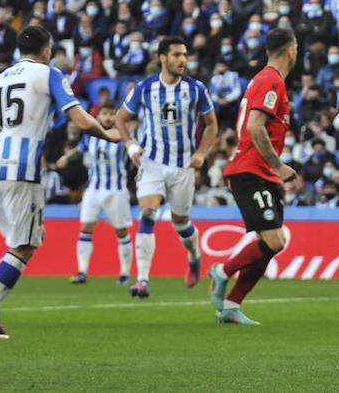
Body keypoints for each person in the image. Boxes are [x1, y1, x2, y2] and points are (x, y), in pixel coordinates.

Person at [0, 26, 122, 339]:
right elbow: (80, 120)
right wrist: (108, 134)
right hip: (22, 168)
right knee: (25, 245)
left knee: (16, 243)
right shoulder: (48, 74)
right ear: (47, 50)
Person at [209, 27, 300, 325]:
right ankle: (221, 271)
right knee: (274, 240)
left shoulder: (267, 80)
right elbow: (254, 126)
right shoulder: (271, 82)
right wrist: (277, 165)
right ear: (291, 50)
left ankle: (232, 305)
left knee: (270, 244)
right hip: (250, 170)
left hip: (263, 174)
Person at [116, 36, 218, 299]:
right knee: (148, 213)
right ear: (162, 58)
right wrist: (130, 145)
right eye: (176, 55)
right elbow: (121, 118)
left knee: (180, 223)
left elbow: (211, 124)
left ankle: (195, 254)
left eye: (184, 55)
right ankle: (142, 280)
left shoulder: (196, 89)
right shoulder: (145, 88)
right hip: (151, 162)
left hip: (183, 165)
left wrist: (201, 152)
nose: (182, 59)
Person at [55, 102, 133, 285]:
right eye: (105, 113)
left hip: (116, 190)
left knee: (121, 231)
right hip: (93, 189)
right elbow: (79, 150)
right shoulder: (90, 137)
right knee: (85, 227)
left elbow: (135, 152)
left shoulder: (123, 135)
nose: (108, 117)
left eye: (112, 114)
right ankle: (82, 271)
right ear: (98, 116)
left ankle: (125, 272)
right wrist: (66, 157)